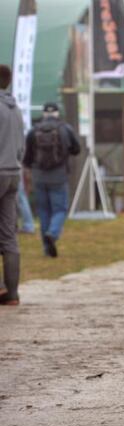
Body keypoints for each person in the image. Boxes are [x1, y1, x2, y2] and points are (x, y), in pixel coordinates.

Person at [23, 102, 81, 258]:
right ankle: (52, 234)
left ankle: (46, 248)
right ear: (57, 113)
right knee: (60, 209)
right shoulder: (65, 129)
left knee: (43, 211)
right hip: (59, 176)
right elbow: (77, 149)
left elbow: (27, 157)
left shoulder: (34, 130)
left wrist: (31, 169)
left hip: (39, 177)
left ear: (43, 113)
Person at [0, 64, 24, 306]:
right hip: (13, 173)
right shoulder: (15, 108)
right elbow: (22, 146)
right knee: (8, 235)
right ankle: (12, 293)